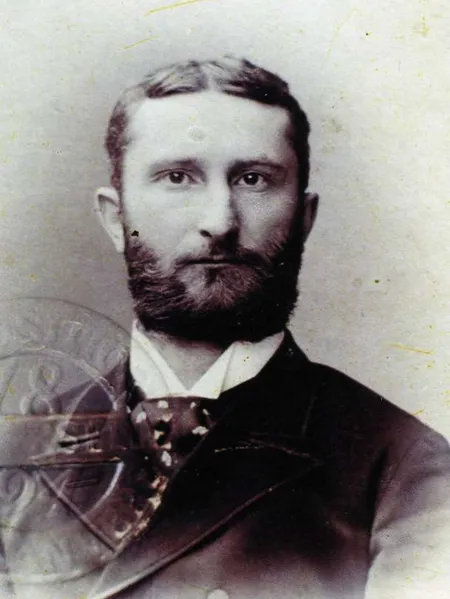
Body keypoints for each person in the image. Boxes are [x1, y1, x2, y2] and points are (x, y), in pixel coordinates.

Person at [3, 56, 450, 599]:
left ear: (303, 218)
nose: (219, 221)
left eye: (253, 179)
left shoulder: (404, 470)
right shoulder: (16, 456)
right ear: (116, 219)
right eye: (177, 177)